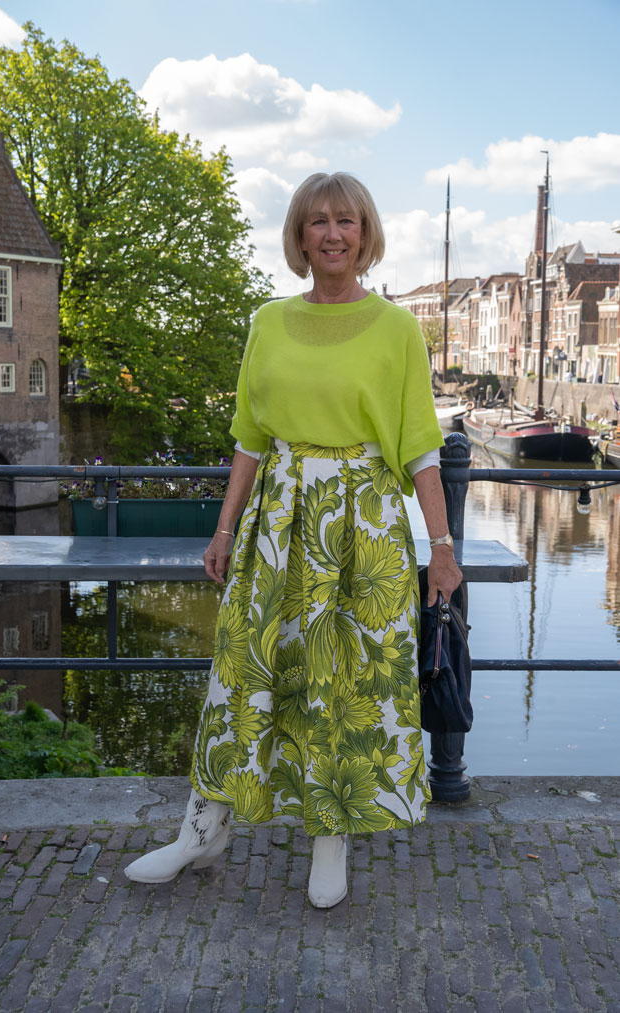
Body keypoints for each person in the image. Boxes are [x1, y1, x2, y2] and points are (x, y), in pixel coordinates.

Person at [125, 172, 463, 907]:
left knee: (342, 682)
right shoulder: (267, 321)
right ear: (299, 236)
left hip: (363, 526)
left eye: (346, 220)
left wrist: (440, 546)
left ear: (365, 234)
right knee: (242, 673)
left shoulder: (397, 328)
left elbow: (420, 446)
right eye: (318, 221)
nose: (332, 234)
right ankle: (201, 830)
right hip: (277, 520)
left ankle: (330, 834)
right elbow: (249, 437)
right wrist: (224, 528)